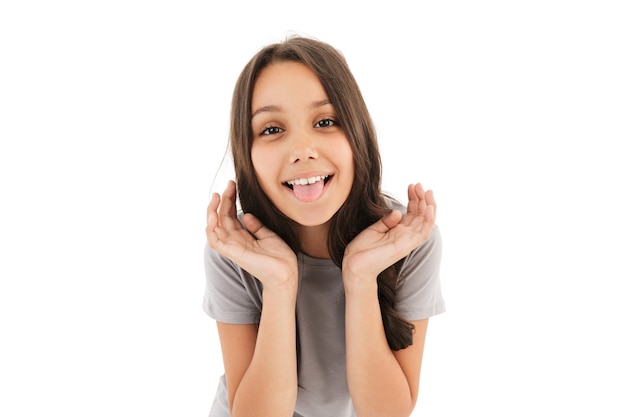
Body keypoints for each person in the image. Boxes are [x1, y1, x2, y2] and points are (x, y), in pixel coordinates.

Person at [203, 36, 445, 417]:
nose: (303, 149)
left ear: (357, 134)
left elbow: (387, 412)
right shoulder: (236, 250)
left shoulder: (406, 241)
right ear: (245, 153)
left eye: (326, 121)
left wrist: (361, 278)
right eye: (271, 129)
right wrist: (279, 284)